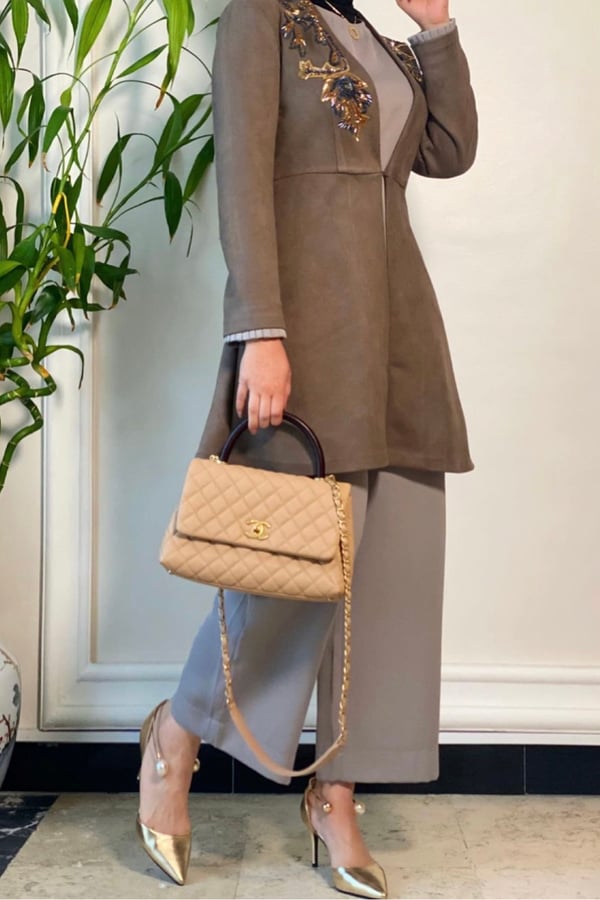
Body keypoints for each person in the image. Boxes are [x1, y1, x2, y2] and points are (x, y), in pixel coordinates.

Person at [137, 0, 477, 894]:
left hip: (400, 333)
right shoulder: (260, 17)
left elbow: (449, 150)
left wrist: (435, 30)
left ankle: (336, 795)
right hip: (311, 330)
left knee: (394, 574)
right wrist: (260, 329)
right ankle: (175, 736)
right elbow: (243, 178)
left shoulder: (378, 42)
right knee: (286, 575)